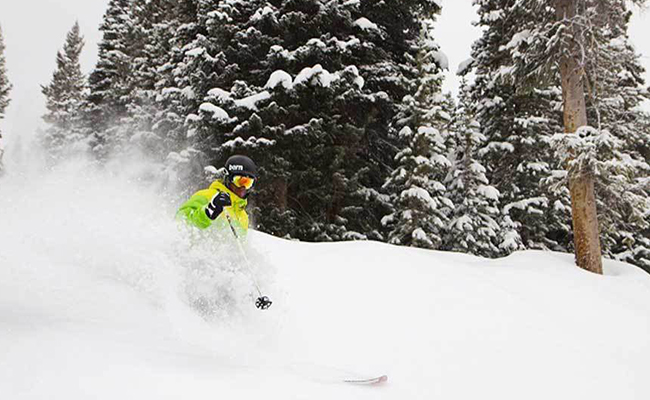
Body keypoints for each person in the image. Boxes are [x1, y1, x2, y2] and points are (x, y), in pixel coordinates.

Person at [177, 154, 258, 238]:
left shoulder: (243, 216)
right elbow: (180, 221)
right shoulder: (207, 196)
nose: (243, 187)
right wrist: (208, 212)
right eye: (238, 181)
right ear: (228, 179)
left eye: (248, 183)